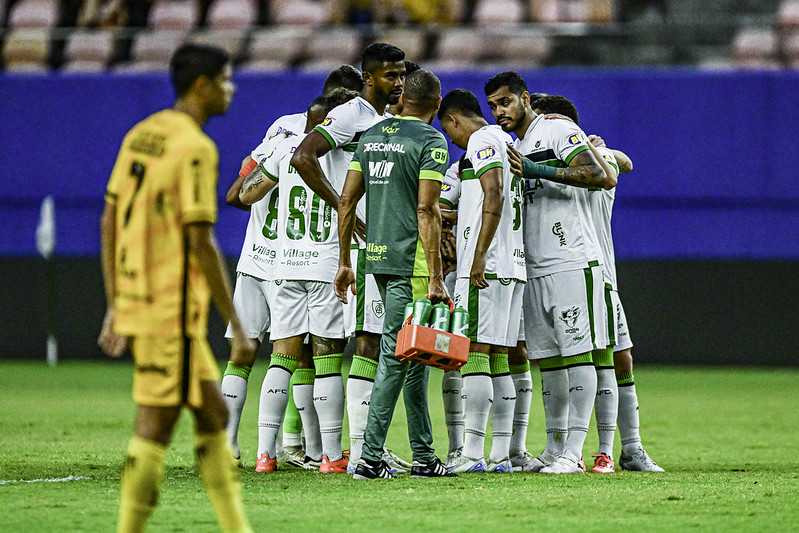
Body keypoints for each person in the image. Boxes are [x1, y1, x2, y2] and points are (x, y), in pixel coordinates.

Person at [98, 44, 253, 532]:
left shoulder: (142, 134)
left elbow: (109, 219)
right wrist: (235, 323)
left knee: (212, 416)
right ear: (202, 85)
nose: (232, 90)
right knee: (155, 427)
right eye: (226, 80)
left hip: (145, 302)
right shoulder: (195, 148)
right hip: (171, 311)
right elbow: (200, 240)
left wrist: (115, 301)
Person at [219, 65, 364, 470]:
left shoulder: (282, 135)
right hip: (320, 262)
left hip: (268, 257)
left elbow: (239, 195)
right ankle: (324, 453)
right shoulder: (349, 145)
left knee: (260, 355)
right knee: (322, 359)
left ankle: (265, 448)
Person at [485, 71, 615, 474]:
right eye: (492, 105)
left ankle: (574, 452)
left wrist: (536, 169)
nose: (499, 111)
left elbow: (599, 175)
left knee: (577, 353)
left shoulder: (557, 129)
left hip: (572, 258)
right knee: (551, 359)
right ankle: (554, 447)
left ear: (525, 98)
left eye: (505, 101)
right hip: (534, 263)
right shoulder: (513, 144)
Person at [291, 43, 409, 472]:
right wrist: (343, 205)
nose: (399, 83)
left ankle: (354, 450)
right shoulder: (349, 115)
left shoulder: (385, 122)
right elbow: (303, 156)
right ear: (370, 78)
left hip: (380, 244)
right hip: (355, 249)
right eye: (391, 75)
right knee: (367, 341)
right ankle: (359, 451)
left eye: (402, 75)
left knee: (369, 342)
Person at [531, 95, 663, 472]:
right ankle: (565, 447)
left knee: (615, 357)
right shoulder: (546, 161)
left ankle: (621, 448)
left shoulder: (589, 159)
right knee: (569, 358)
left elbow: (625, 162)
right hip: (561, 272)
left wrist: (590, 144)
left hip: (596, 274)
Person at [335, 69, 455, 479]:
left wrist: (344, 262)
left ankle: (423, 457)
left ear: (405, 100)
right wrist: (437, 276)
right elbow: (427, 209)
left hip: (377, 259)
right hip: (412, 265)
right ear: (437, 105)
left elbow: (347, 199)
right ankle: (368, 458)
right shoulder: (431, 141)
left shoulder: (371, 135)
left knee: (413, 355)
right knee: (394, 355)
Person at [437, 89, 526, 473]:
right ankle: (501, 455)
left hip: (486, 266)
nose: (452, 140)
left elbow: (494, 192)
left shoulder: (482, 139)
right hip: (513, 265)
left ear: (454, 120)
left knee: (473, 353)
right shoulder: (507, 142)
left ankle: (472, 453)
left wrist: (477, 254)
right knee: (500, 358)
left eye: (448, 131)